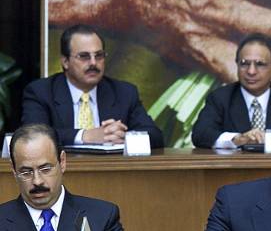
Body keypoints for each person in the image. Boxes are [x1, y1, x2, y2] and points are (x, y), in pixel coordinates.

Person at [0, 124, 141, 231]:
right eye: (26, 172)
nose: (37, 181)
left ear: (63, 162)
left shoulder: (101, 215)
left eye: (45, 169)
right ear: (14, 171)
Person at [21, 24, 164, 148]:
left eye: (99, 55)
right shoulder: (41, 92)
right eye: (84, 56)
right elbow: (33, 136)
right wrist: (85, 136)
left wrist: (122, 136)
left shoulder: (124, 93)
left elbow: (156, 137)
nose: (93, 63)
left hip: (112, 175)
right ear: (65, 62)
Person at [191, 33, 271, 148]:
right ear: (237, 65)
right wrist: (237, 139)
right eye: (244, 63)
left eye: (260, 64)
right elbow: (200, 134)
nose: (251, 71)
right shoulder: (221, 98)